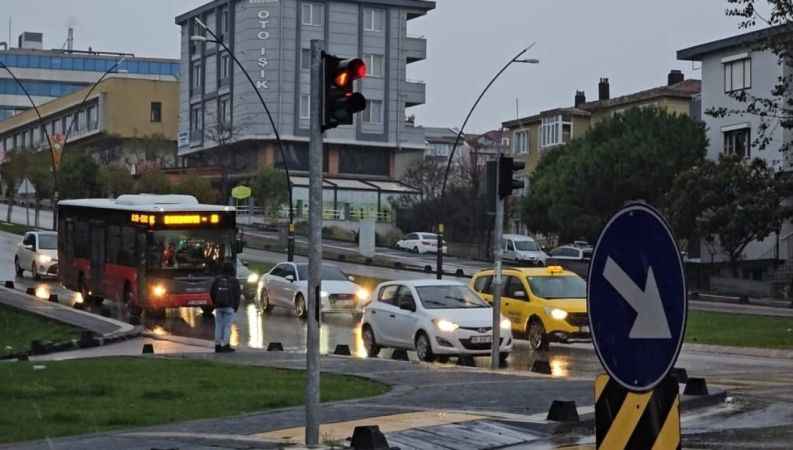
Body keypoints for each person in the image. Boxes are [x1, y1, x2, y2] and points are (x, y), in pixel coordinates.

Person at [210, 262, 241, 353]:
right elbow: (237, 295)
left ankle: (217, 345)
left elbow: (212, 292)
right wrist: (235, 307)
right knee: (227, 326)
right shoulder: (234, 281)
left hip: (218, 306)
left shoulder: (217, 279)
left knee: (218, 326)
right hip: (229, 307)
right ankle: (225, 345)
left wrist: (215, 303)